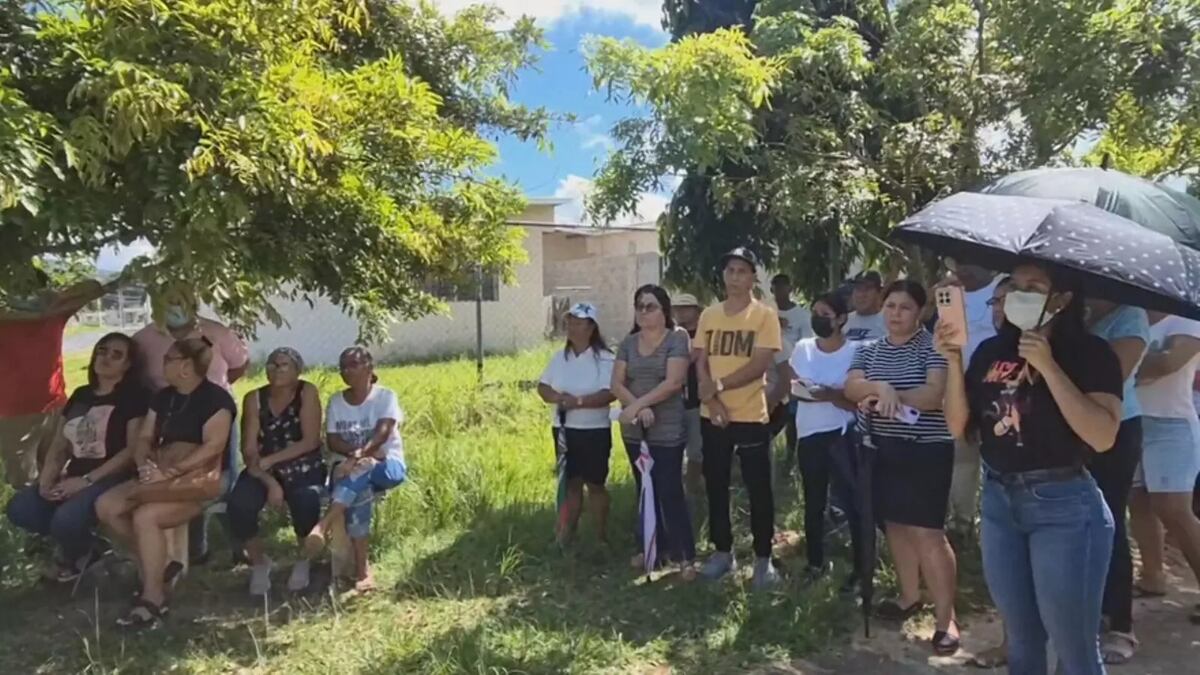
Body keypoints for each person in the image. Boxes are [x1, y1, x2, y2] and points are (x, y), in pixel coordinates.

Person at [939, 262, 1122, 674]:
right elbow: (958, 427)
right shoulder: (991, 352)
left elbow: (1103, 435)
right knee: (1022, 642)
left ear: (1062, 299)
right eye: (1015, 286)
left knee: (1074, 648)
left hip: (1065, 507)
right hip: (1001, 502)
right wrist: (951, 360)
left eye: (1033, 287)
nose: (1019, 295)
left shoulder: (1091, 354)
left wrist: (1049, 367)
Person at [844, 280, 959, 655]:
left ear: (920, 311)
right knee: (894, 524)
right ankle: (910, 596)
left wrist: (888, 395)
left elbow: (933, 395)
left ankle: (947, 620)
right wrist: (881, 387)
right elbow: (851, 387)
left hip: (926, 451)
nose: (895, 313)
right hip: (882, 450)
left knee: (928, 534)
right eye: (890, 305)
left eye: (905, 307)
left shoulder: (933, 346)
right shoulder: (868, 348)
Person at [95, 337, 237, 628]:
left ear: (186, 366)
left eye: (168, 359)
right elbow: (146, 437)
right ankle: (159, 570)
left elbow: (212, 447)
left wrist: (171, 473)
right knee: (106, 506)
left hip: (197, 482)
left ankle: (153, 598)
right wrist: (144, 462)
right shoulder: (163, 397)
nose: (162, 363)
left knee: (146, 516)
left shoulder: (217, 400)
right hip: (159, 472)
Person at [5, 333, 150, 581]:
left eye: (117, 355)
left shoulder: (134, 396)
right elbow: (61, 443)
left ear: (128, 365)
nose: (106, 358)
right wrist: (48, 477)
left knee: (66, 518)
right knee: (21, 508)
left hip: (112, 476)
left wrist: (87, 481)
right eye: (102, 351)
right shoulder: (82, 395)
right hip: (74, 474)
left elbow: (131, 450)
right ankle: (88, 549)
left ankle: (75, 555)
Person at [133, 283, 249, 565]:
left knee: (224, 481)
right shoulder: (143, 340)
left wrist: (208, 396)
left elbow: (240, 364)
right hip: (169, 418)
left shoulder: (216, 332)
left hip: (215, 416)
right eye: (168, 301)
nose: (175, 306)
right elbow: (137, 377)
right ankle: (194, 550)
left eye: (180, 299)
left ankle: (239, 543)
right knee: (176, 480)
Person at [693, 247, 783, 589]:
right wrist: (713, 398)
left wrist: (720, 385)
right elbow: (700, 358)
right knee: (716, 484)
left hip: (750, 415)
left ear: (752, 277)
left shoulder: (764, 316)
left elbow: (760, 364)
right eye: (730, 270)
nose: (735, 277)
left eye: (742, 271)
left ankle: (763, 559)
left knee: (759, 488)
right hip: (712, 414)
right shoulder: (709, 315)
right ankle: (722, 552)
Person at [302, 347, 405, 592]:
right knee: (360, 492)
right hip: (352, 470)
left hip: (388, 466)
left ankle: (323, 525)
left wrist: (359, 456)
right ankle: (361, 572)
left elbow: (382, 434)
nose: (347, 371)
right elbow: (333, 440)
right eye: (343, 366)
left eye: (353, 365)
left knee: (366, 468)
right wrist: (355, 458)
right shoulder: (337, 401)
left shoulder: (385, 397)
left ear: (369, 367)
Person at [611, 285, 695, 578]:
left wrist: (639, 406)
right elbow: (617, 384)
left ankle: (684, 555)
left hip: (668, 428)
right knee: (644, 488)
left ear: (664, 310)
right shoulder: (628, 342)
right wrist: (636, 408)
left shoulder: (677, 339)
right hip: (635, 431)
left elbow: (674, 382)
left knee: (670, 489)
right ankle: (651, 549)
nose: (644, 312)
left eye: (650, 306)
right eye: (639, 306)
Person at [227, 347, 326, 596]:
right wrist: (270, 481)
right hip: (260, 468)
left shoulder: (307, 392)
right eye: (271, 364)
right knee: (239, 504)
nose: (275, 369)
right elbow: (248, 449)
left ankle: (304, 559)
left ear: (297, 370)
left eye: (283, 365)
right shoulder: (254, 398)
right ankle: (260, 562)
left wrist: (272, 459)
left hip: (302, 464)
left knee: (306, 500)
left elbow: (310, 441)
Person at [1, 270, 112, 488]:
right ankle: (28, 519)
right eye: (20, 289)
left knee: (57, 470)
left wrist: (55, 300)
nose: (27, 296)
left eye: (33, 289)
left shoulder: (55, 313)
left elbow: (93, 287)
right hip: (14, 413)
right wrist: (31, 313)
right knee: (24, 480)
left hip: (56, 406)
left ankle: (54, 518)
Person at [1086, 300, 1149, 664]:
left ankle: (1120, 624)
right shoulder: (1073, 309)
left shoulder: (1131, 316)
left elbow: (1113, 374)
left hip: (1119, 427)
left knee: (1108, 518)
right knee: (1078, 522)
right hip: (1072, 425)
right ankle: (1089, 613)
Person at [784, 292, 860, 586]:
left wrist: (829, 394)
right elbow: (792, 385)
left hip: (843, 434)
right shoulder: (802, 348)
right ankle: (815, 563)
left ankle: (859, 568)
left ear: (841, 319)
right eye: (815, 311)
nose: (818, 318)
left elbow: (857, 401)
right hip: (809, 435)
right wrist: (806, 391)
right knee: (814, 502)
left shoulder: (856, 351)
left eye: (825, 313)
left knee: (852, 503)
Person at [1130, 313, 1200, 625]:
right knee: (1138, 502)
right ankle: (1152, 575)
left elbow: (1168, 364)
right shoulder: (1131, 315)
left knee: (1172, 508)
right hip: (1131, 419)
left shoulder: (1187, 319)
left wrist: (1126, 357)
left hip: (1172, 424)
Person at [537, 303, 616, 544]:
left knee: (595, 484)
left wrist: (578, 402)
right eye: (570, 322)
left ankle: (601, 535)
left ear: (592, 327)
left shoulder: (605, 359)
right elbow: (543, 386)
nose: (572, 327)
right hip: (564, 430)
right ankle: (567, 533)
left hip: (594, 430)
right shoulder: (559, 357)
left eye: (579, 323)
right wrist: (558, 398)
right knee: (570, 483)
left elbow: (609, 393)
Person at [940, 263, 1000, 531]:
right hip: (959, 387)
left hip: (999, 388)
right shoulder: (950, 293)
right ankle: (961, 522)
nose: (962, 267)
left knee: (997, 457)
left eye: (968, 260)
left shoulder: (1003, 288)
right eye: (957, 260)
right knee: (962, 456)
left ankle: (995, 521)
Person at [673, 293, 705, 504]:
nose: (681, 312)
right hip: (672, 404)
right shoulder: (670, 336)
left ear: (697, 310)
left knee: (696, 452)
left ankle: (692, 495)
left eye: (687, 308)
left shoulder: (706, 335)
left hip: (697, 402)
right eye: (678, 308)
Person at [844, 271, 886, 342]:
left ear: (879, 293)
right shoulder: (842, 321)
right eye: (858, 289)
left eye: (867, 289)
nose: (861, 295)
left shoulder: (890, 321)